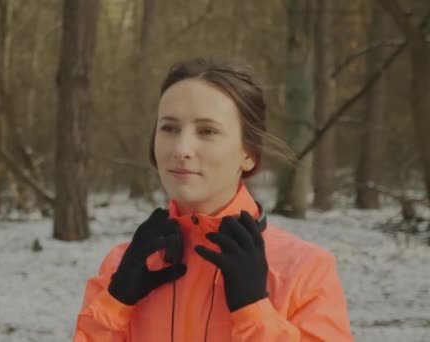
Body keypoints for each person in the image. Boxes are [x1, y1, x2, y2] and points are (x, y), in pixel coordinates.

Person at [74, 58, 353, 341]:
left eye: (207, 131)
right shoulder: (124, 264)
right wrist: (116, 303)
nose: (181, 148)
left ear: (249, 154)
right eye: (169, 128)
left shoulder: (305, 270)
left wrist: (254, 311)